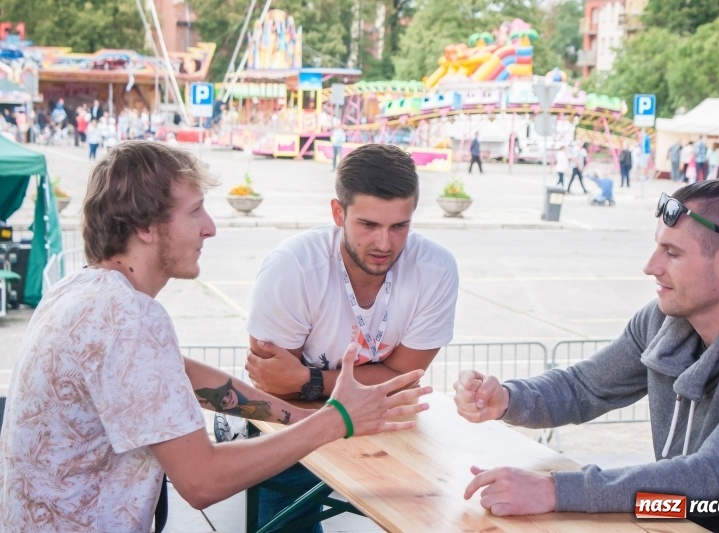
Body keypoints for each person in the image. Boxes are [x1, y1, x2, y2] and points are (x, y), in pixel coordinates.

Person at [0, 141, 432, 532]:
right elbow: (202, 481)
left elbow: (182, 376)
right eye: (194, 212)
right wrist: (337, 419)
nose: (210, 228)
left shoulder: (84, 290)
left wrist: (297, 419)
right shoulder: (126, 318)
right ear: (146, 228)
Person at [453, 175, 719, 531]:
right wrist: (508, 398)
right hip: (681, 515)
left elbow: (712, 479)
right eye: (657, 247)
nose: (650, 266)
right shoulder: (662, 320)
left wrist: (556, 490)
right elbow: (584, 387)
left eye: (673, 253)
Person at [236, 143, 460, 532]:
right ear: (338, 213)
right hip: (295, 425)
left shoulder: (436, 268)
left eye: (399, 226)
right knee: (287, 516)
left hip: (385, 425)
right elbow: (271, 386)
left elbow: (405, 380)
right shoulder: (292, 267)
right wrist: (372, 382)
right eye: (369, 225)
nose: (384, 244)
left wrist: (306, 380)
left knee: (438, 513)